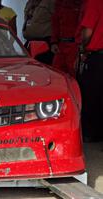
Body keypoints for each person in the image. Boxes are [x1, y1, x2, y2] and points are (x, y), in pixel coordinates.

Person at [79, 0, 103, 142]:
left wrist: (82, 46)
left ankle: (92, 133)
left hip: (98, 57)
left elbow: (88, 32)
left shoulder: (94, 2)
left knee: (92, 94)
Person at [50, 0, 82, 77]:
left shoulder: (82, 4)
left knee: (73, 74)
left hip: (75, 46)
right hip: (61, 45)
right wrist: (54, 42)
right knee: (56, 74)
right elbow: (55, 22)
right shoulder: (59, 3)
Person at [23, 0, 55, 65]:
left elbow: (57, 19)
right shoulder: (29, 3)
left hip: (44, 43)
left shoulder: (50, 2)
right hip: (30, 42)